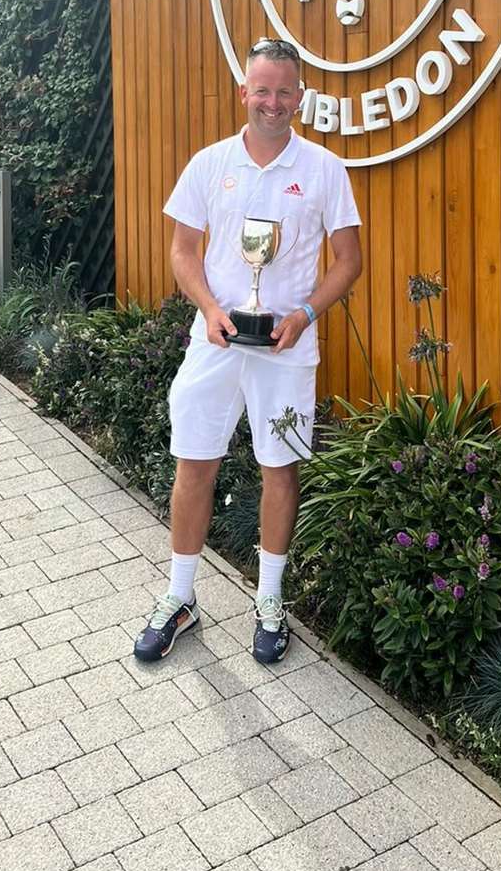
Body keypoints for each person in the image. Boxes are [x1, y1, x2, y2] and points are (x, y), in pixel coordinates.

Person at [133, 37, 363, 665]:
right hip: (215, 342)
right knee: (194, 462)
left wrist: (305, 313)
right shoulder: (209, 163)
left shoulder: (324, 170)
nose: (273, 101)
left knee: (279, 469)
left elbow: (350, 261)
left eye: (285, 91)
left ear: (301, 98)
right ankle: (180, 598)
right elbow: (183, 252)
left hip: (287, 348)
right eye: (262, 89)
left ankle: (269, 600)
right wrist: (209, 310)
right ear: (244, 92)